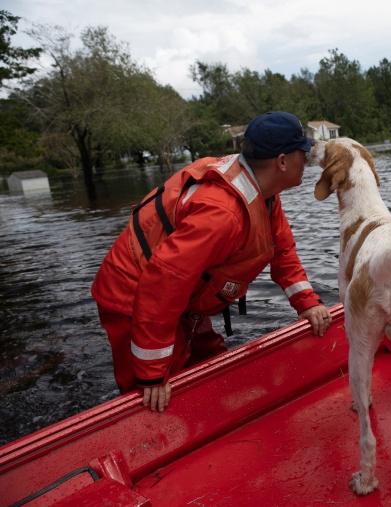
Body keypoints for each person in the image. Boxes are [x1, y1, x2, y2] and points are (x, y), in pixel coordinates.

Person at [91, 111, 331, 412]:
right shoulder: (223, 214)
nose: (307, 158)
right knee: (158, 393)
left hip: (180, 292)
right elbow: (162, 282)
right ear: (282, 162)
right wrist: (151, 374)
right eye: (302, 152)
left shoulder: (265, 190)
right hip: (134, 295)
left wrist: (307, 303)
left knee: (211, 362)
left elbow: (282, 251)